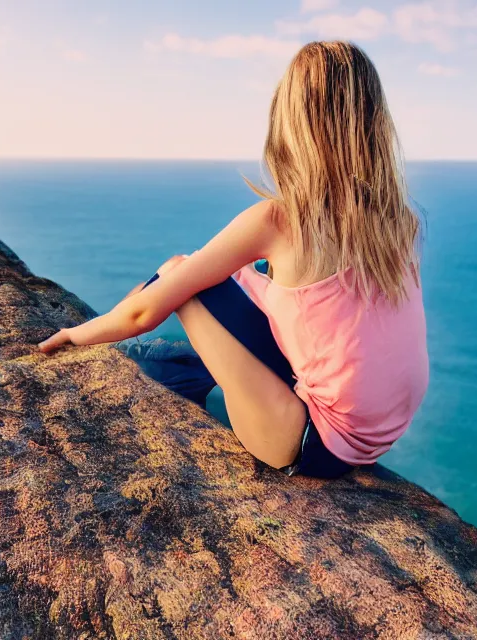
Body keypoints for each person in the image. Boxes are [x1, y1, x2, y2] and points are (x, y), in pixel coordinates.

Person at [38, 41, 429, 480]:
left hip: (306, 444)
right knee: (251, 278)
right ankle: (191, 370)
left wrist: (74, 335)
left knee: (180, 276)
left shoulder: (280, 220)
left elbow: (147, 310)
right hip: (374, 440)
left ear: (290, 121)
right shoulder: (398, 221)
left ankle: (180, 370)